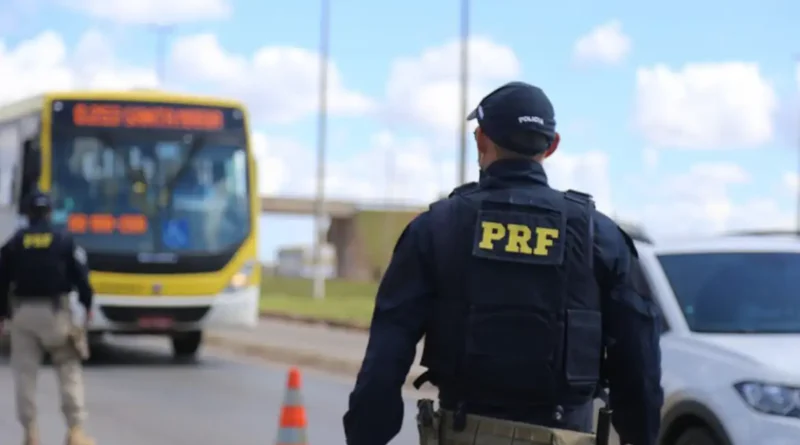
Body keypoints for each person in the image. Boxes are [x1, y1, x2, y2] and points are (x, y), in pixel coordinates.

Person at [343, 81, 663, 445]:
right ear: (552, 146)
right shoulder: (601, 236)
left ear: (481, 140)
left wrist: (365, 437)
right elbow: (639, 365)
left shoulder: (436, 229)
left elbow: (386, 356)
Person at [0, 190, 96, 445]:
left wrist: (2, 314)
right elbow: (81, 275)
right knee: (68, 369)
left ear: (27, 214)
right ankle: (75, 432)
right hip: (56, 314)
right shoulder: (63, 239)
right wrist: (87, 304)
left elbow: (1, 280)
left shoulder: (15, 242)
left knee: (25, 374)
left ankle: (30, 433)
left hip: (23, 315)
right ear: (50, 212)